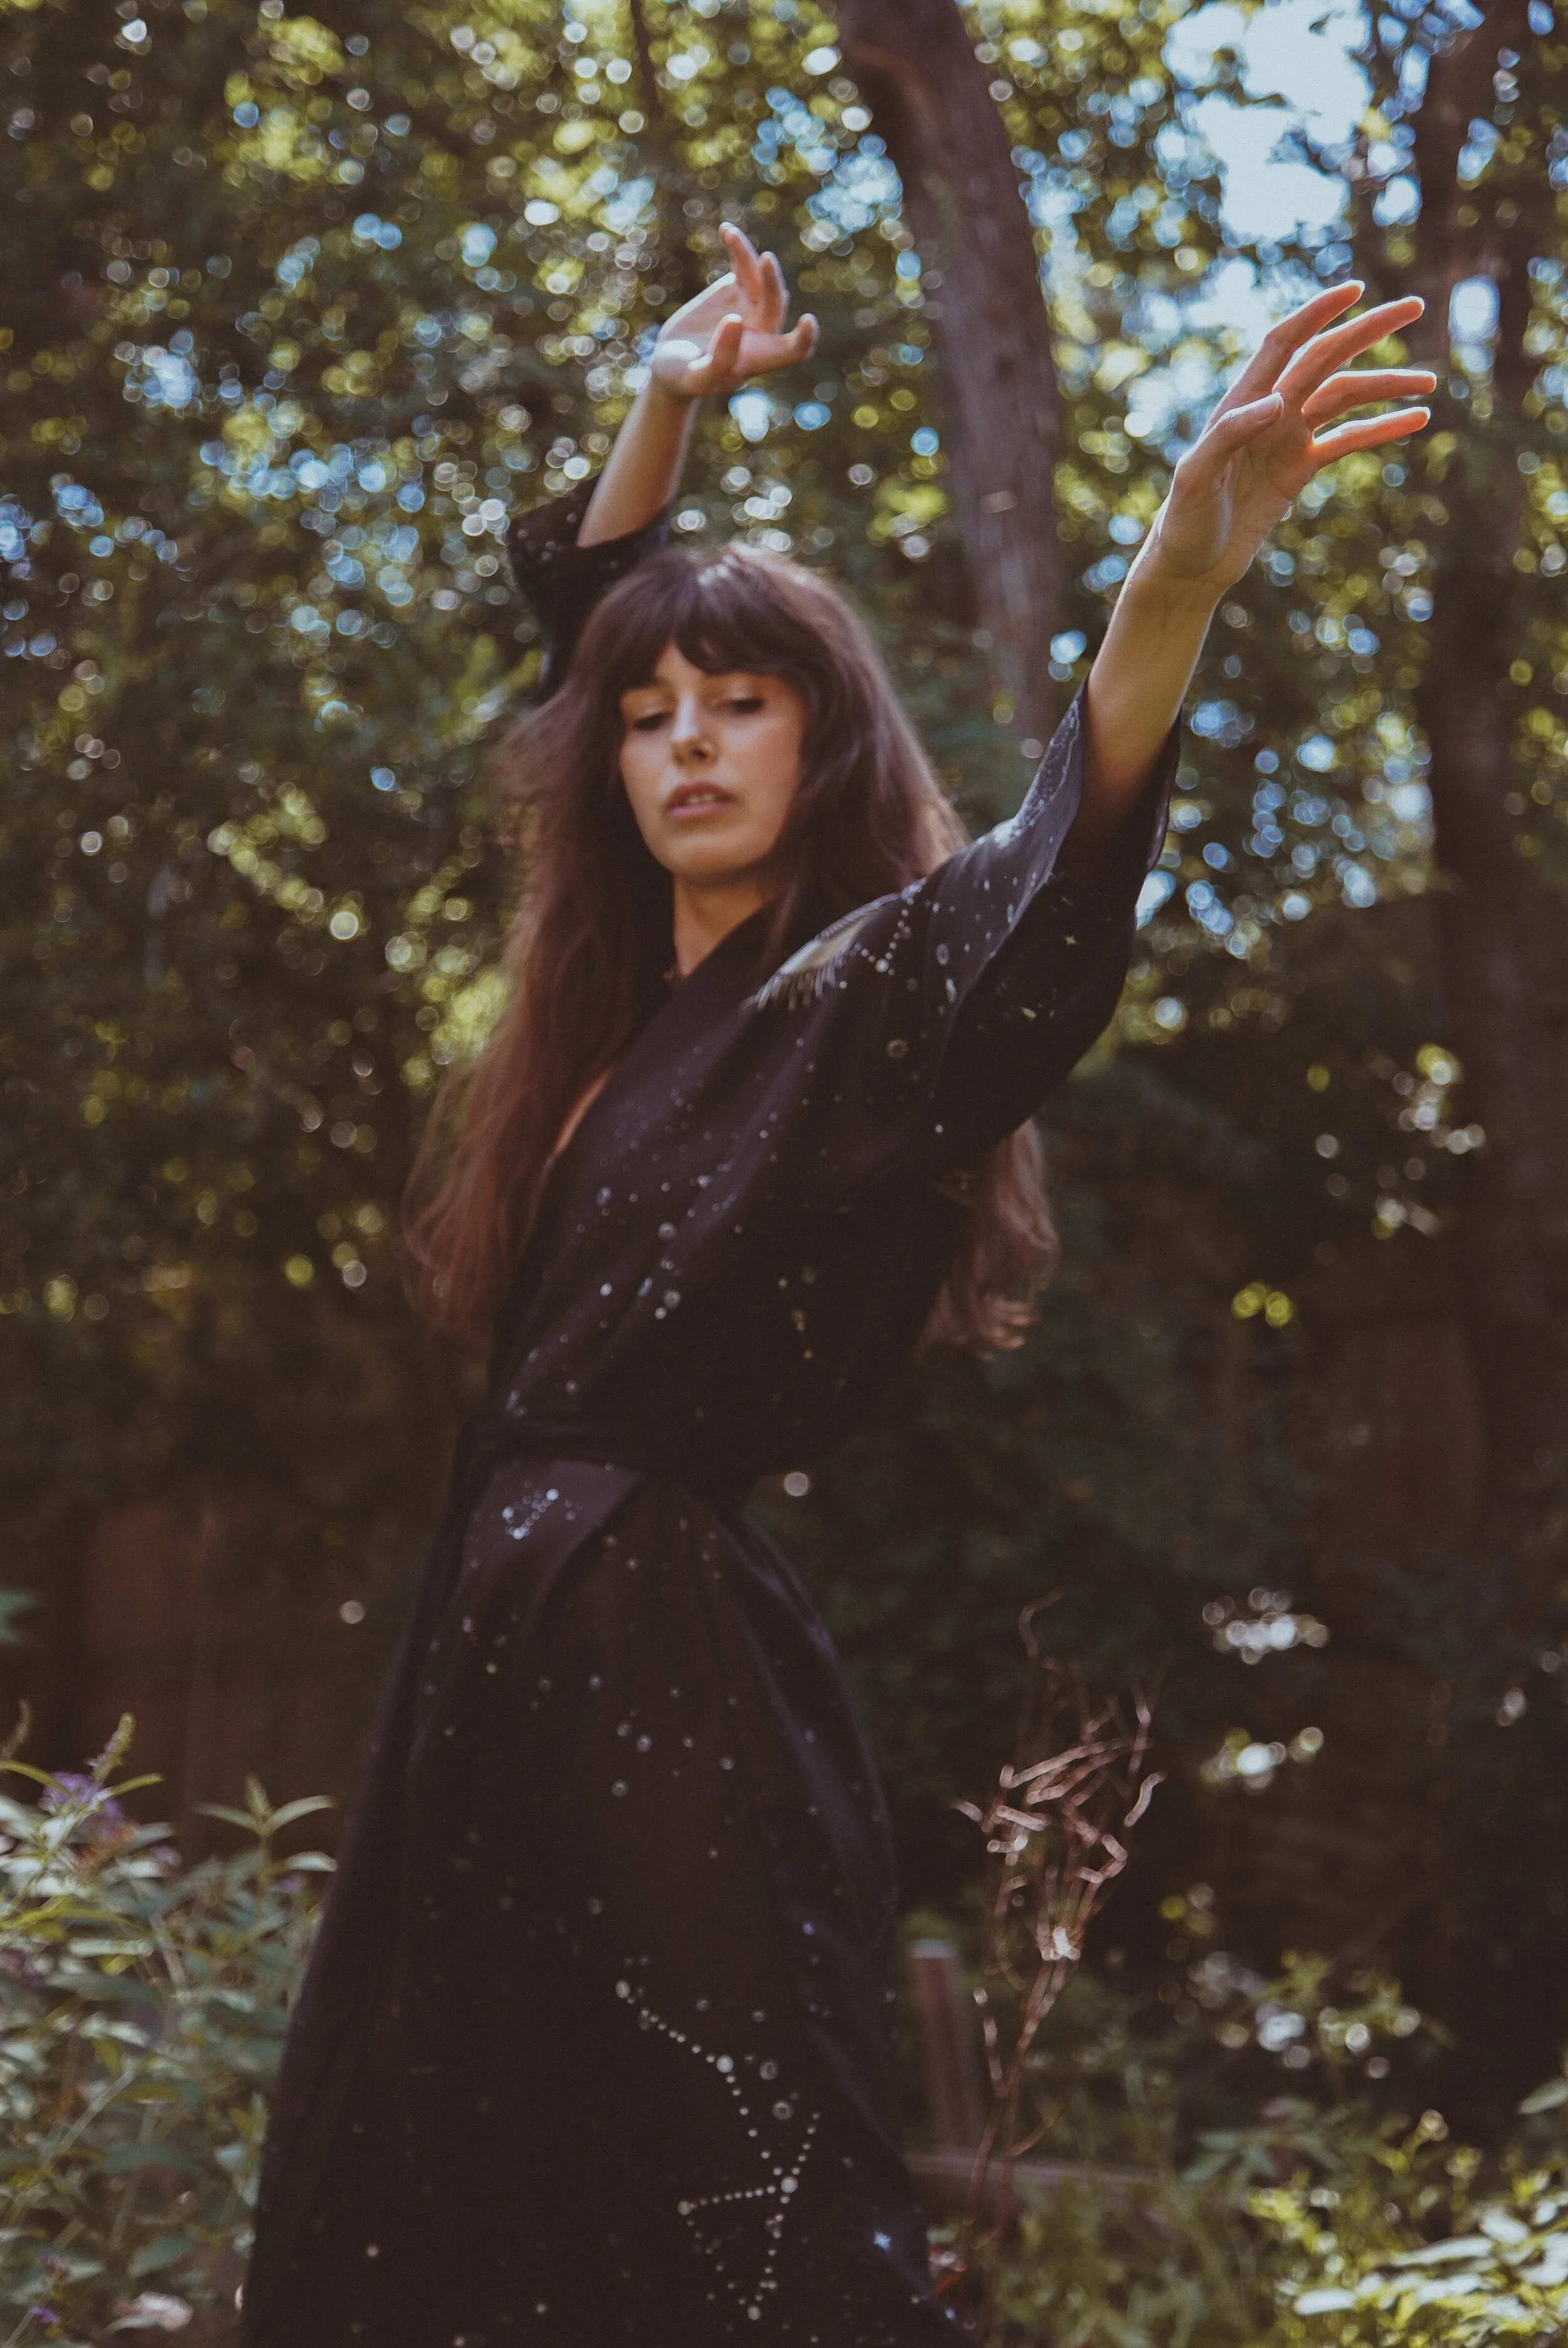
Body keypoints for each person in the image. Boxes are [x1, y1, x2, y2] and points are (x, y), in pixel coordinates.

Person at [240, 225, 1433, 2346]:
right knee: (440, 2150)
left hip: (663, 1650)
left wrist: (1171, 577)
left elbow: (1058, 870)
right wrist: (664, 400)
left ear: (824, 742)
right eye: (653, 717)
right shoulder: (599, 1024)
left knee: (736, 2179)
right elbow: (578, 621)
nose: (687, 740)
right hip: (489, 1637)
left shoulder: (858, 1001)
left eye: (746, 702)